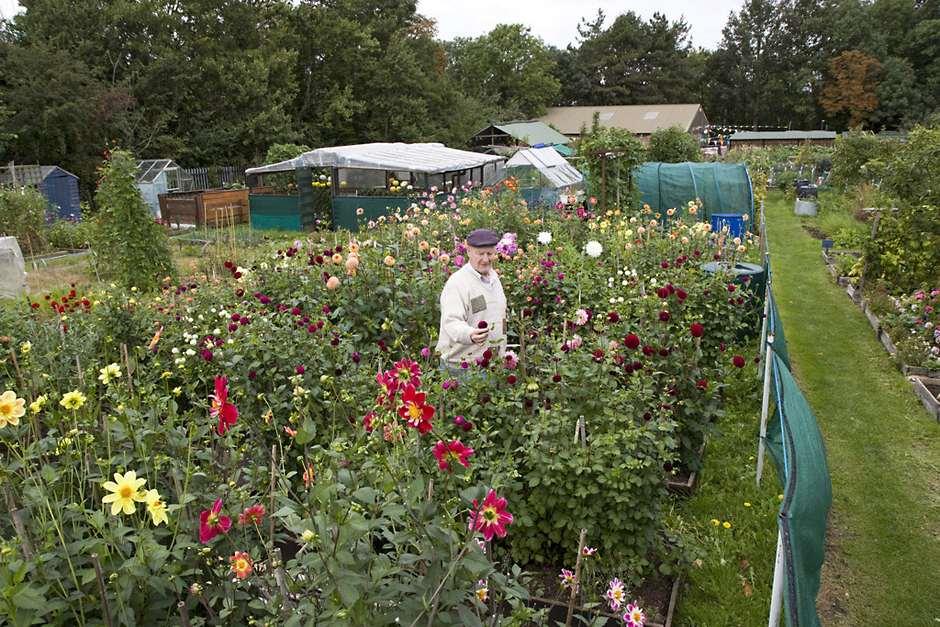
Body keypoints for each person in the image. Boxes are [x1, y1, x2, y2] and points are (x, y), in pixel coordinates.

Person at [436, 228, 507, 373]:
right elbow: (451, 322)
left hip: (492, 364)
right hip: (462, 367)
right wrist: (469, 334)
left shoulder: (494, 278)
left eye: (490, 253)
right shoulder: (458, 283)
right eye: (480, 254)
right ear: (468, 251)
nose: (486, 259)